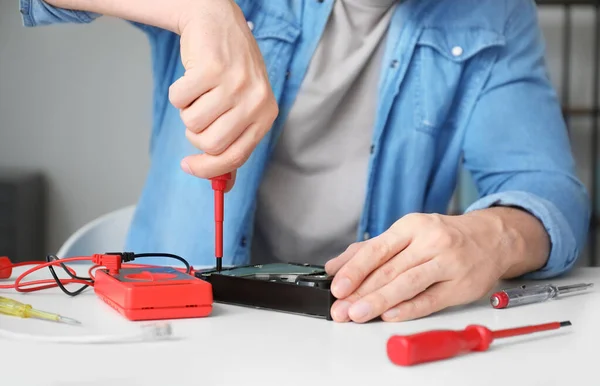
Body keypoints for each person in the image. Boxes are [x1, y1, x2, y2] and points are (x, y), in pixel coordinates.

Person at [18, 0, 590, 324]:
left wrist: (491, 238)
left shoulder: (496, 14)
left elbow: (546, 188)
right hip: (179, 330)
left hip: (356, 337)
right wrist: (201, 11)